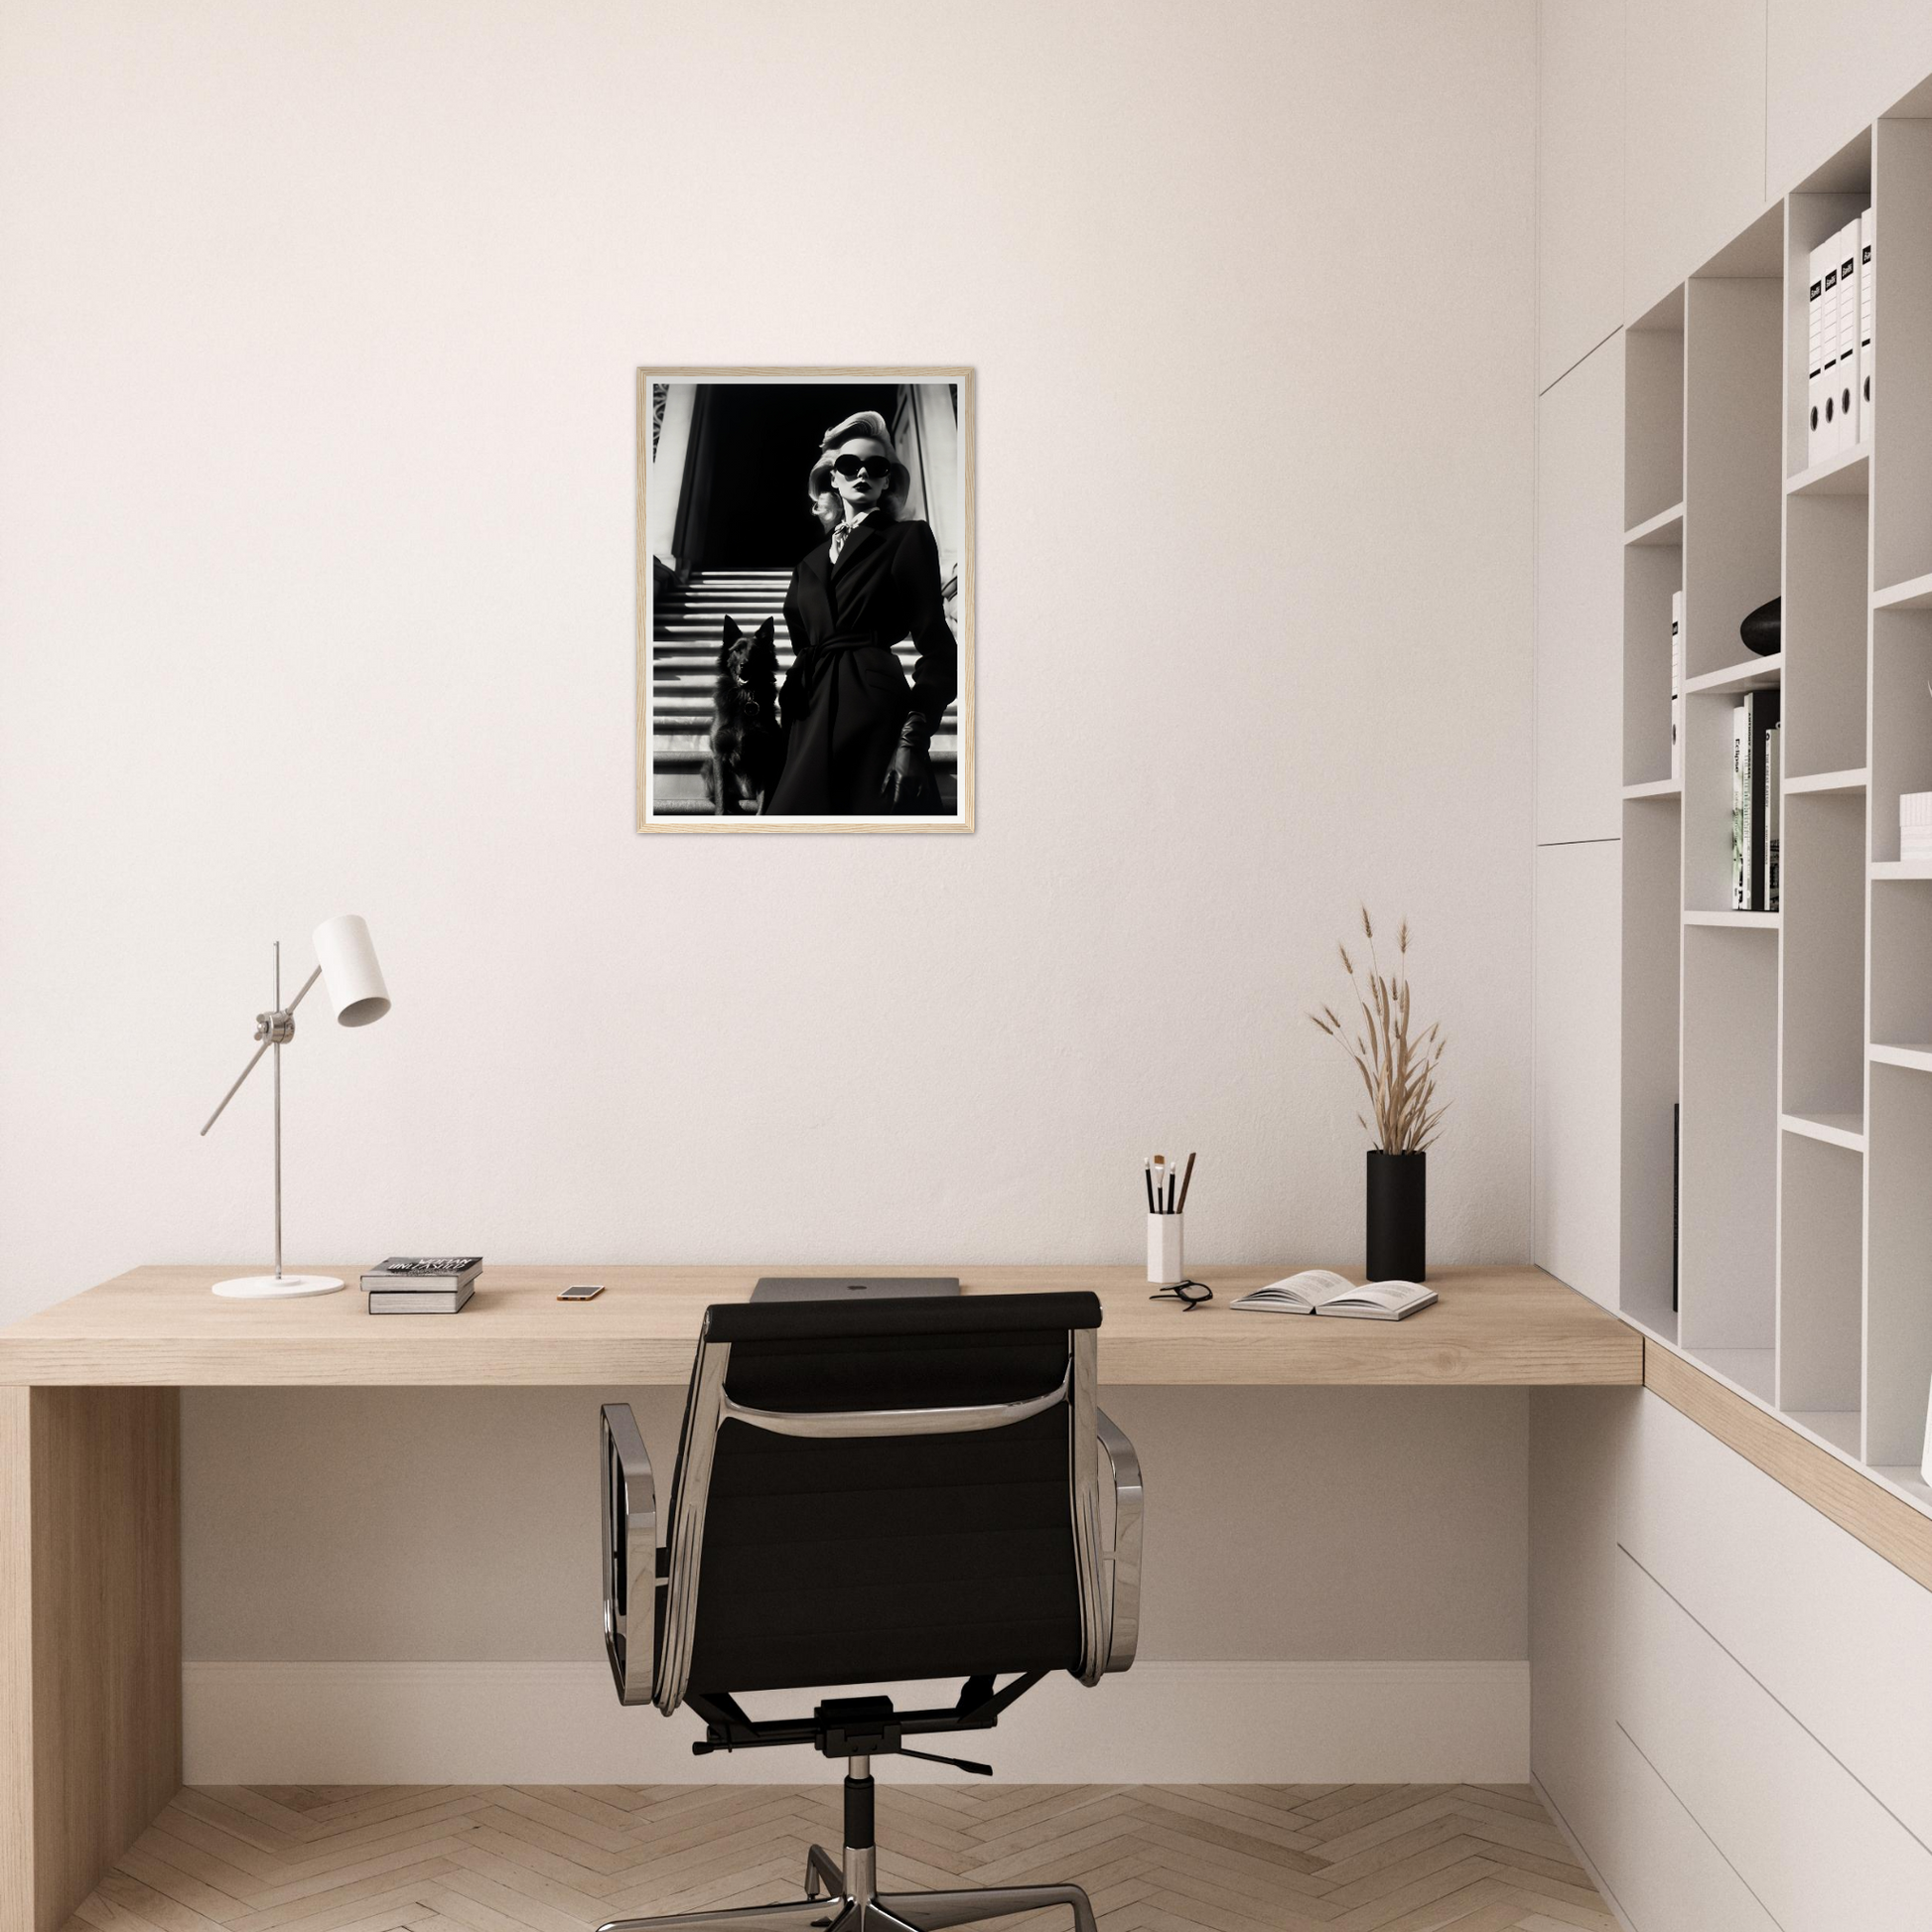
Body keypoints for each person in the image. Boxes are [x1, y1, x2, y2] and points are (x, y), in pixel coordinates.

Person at [765, 410, 956, 814]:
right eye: (849, 466)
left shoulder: (907, 538)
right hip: (807, 713)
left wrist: (913, 737)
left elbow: (939, 649)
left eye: (876, 466)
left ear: (887, 479)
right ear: (831, 478)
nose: (862, 473)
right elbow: (804, 643)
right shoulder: (808, 563)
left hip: (876, 713)